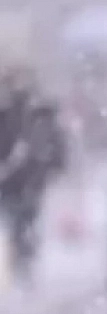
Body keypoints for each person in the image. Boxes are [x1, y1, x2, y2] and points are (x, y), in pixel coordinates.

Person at [0, 68, 69, 284]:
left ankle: (23, 261)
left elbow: (55, 142)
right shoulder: (28, 112)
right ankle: (22, 260)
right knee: (21, 221)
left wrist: (52, 164)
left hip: (25, 178)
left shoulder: (35, 113)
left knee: (23, 220)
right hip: (18, 178)